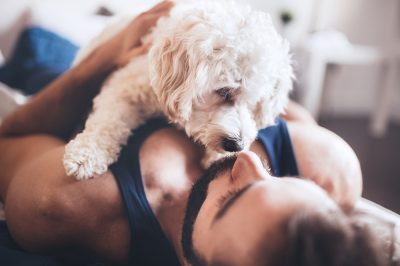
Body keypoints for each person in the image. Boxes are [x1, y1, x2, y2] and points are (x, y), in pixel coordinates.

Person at [0, 1, 388, 265]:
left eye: (233, 200)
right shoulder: (330, 169)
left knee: (41, 42)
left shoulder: (61, 205)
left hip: (64, 78)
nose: (249, 156)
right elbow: (266, 90)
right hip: (164, 51)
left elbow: (8, 137)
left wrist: (100, 60)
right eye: (282, 178)